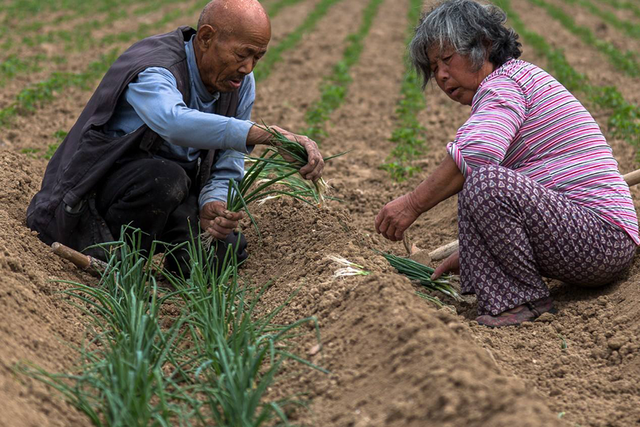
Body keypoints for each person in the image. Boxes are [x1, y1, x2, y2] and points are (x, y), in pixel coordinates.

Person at [375, 0, 639, 327]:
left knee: (485, 183)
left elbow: (476, 156)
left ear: (484, 45)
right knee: (481, 183)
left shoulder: (504, 84)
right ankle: (507, 292)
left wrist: (412, 204)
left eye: (447, 59)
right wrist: (478, 253)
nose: (441, 75)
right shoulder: (513, 81)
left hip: (600, 236)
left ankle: (522, 301)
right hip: (593, 238)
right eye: (433, 68)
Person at [27, 0, 324, 273]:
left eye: (257, 57)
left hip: (167, 197)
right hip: (93, 199)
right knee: (164, 178)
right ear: (206, 37)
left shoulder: (238, 83)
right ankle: (110, 258)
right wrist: (266, 135)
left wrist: (214, 201)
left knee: (225, 250)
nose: (247, 68)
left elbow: (229, 159)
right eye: (241, 54)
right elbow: (172, 121)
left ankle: (165, 268)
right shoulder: (155, 67)